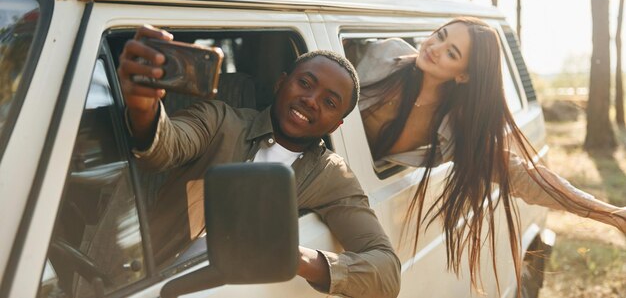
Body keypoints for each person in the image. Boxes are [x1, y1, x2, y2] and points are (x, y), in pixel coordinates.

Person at [117, 25, 401, 298]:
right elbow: (164, 147)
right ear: (281, 83)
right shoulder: (219, 121)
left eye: (329, 102)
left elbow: (387, 273)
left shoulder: (330, 174)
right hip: (145, 280)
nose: (311, 101)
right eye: (304, 83)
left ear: (335, 127)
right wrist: (144, 106)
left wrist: (295, 257)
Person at [353, 17, 626, 291]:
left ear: (463, 75)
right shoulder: (382, 55)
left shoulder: (454, 133)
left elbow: (524, 177)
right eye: (440, 35)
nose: (434, 47)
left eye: (451, 52)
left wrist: (609, 214)